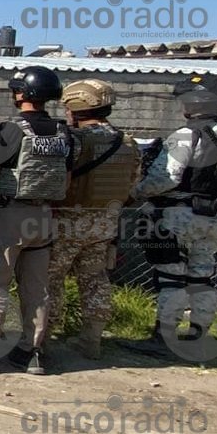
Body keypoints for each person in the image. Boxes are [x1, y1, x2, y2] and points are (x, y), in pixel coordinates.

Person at [124, 73, 217, 360]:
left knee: (171, 277)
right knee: (201, 278)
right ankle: (197, 337)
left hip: (176, 215)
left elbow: (167, 177)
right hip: (211, 217)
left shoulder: (186, 135)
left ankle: (164, 339)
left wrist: (136, 192)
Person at [0, 65, 74, 375]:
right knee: (37, 288)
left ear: (20, 94)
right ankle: (33, 351)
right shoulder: (63, 133)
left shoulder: (8, 130)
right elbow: (66, 180)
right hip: (43, 217)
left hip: (8, 214)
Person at [45, 79, 139, 361]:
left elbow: (56, 178)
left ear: (75, 106)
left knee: (51, 278)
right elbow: (133, 184)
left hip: (67, 220)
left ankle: (43, 339)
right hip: (105, 223)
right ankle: (92, 339)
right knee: (95, 278)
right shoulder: (127, 142)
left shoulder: (74, 140)